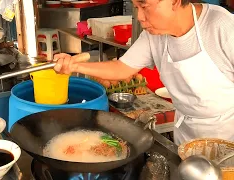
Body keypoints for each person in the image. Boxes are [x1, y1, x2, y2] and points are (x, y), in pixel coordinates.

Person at [53, 0, 234, 145]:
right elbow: (122, 68)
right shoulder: (153, 35)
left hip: (228, 139)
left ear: (175, 2)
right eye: (136, 7)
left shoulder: (222, 26)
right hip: (186, 138)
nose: (139, 16)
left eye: (144, 5)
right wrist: (74, 67)